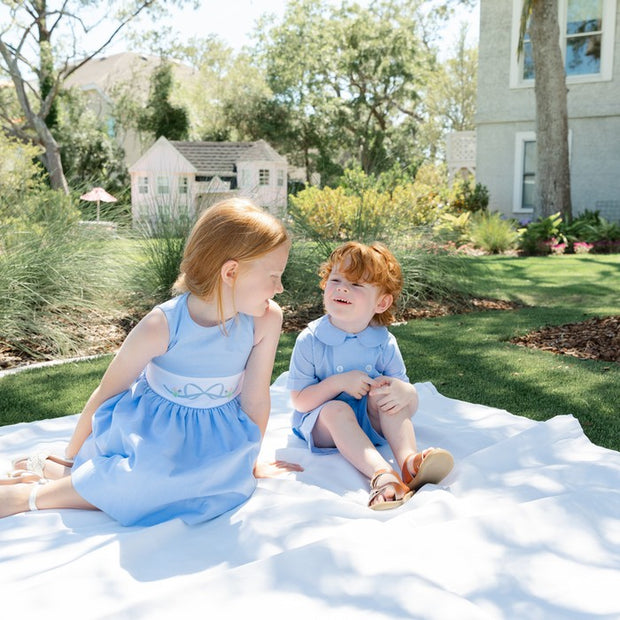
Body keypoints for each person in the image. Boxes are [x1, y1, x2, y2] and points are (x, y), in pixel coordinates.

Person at [0, 198, 301, 525]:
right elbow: (108, 390)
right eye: (273, 275)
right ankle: (32, 495)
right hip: (154, 432)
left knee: (225, 486)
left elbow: (255, 398)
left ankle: (65, 472)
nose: (280, 287)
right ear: (231, 272)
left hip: (216, 434)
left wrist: (248, 460)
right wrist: (73, 456)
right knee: (147, 482)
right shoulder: (163, 324)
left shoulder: (266, 320)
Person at [287, 241, 453, 510]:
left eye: (356, 284)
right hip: (323, 426)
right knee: (336, 409)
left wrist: (405, 392)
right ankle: (382, 475)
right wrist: (339, 383)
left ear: (382, 302)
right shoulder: (311, 340)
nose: (342, 288)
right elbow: (300, 402)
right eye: (336, 279)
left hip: (370, 422)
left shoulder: (383, 342)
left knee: (388, 392)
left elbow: (407, 405)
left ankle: (409, 462)